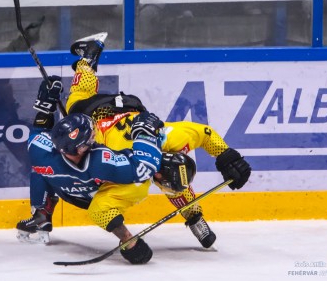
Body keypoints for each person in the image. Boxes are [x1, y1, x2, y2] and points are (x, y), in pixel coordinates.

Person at [40, 32, 250, 249]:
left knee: (80, 95)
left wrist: (227, 157)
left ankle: (88, 58)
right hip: (98, 115)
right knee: (79, 99)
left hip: (130, 110)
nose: (158, 180)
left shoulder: (166, 138)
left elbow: (204, 133)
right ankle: (87, 60)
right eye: (161, 180)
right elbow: (92, 170)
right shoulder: (116, 156)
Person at [17, 85, 175, 264]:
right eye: (91, 136)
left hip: (68, 191)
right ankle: (128, 240)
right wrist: (145, 134)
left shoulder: (40, 150)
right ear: (82, 148)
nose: (95, 136)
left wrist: (45, 106)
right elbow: (143, 168)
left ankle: (42, 212)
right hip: (94, 196)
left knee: (39, 169)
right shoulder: (101, 161)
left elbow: (39, 131)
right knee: (101, 209)